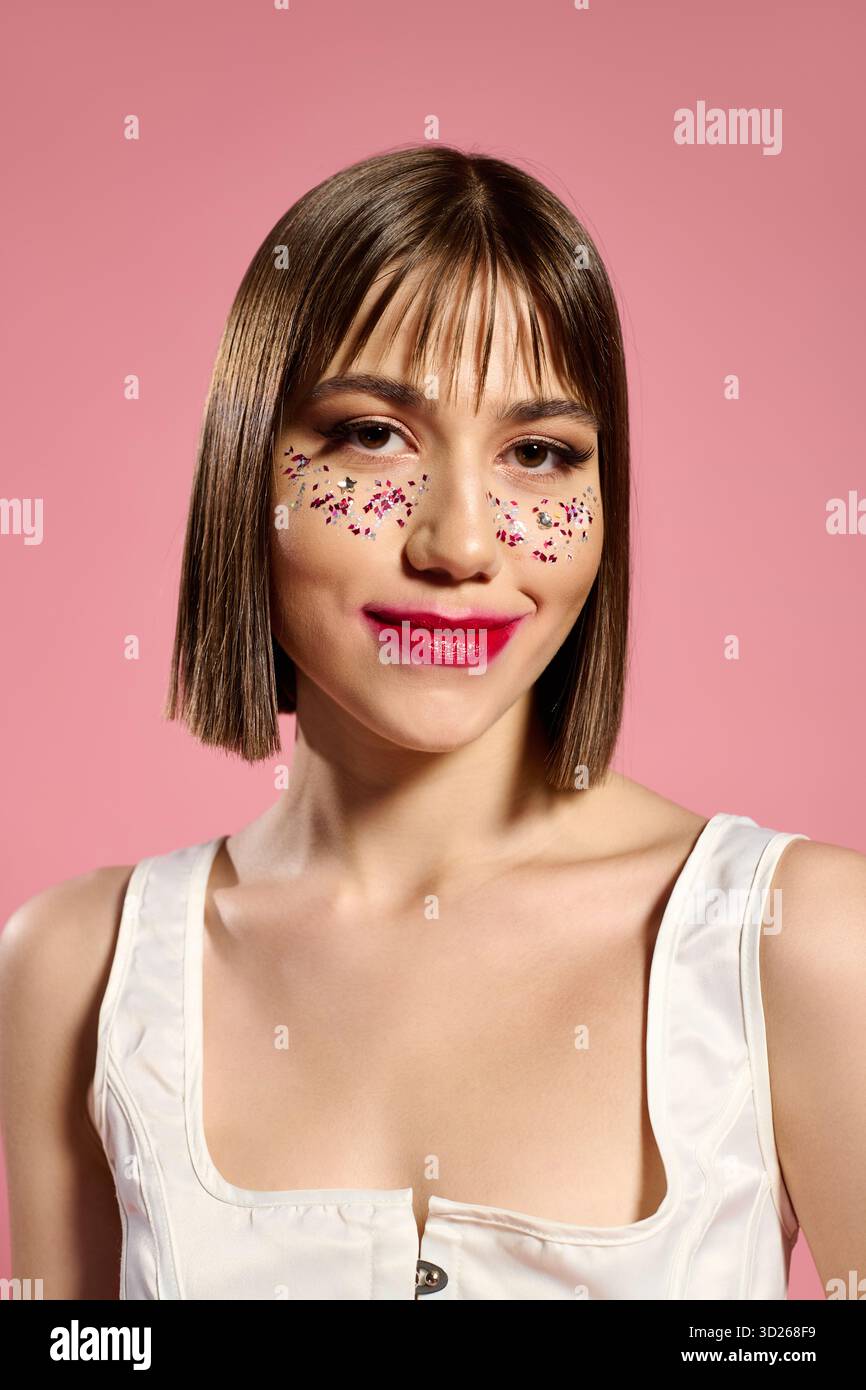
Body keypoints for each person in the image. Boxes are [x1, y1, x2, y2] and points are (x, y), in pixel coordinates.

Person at [1, 145, 864, 1301]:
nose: (459, 545)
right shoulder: (75, 968)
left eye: (540, 454)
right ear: (246, 469)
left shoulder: (798, 943)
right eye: (372, 435)